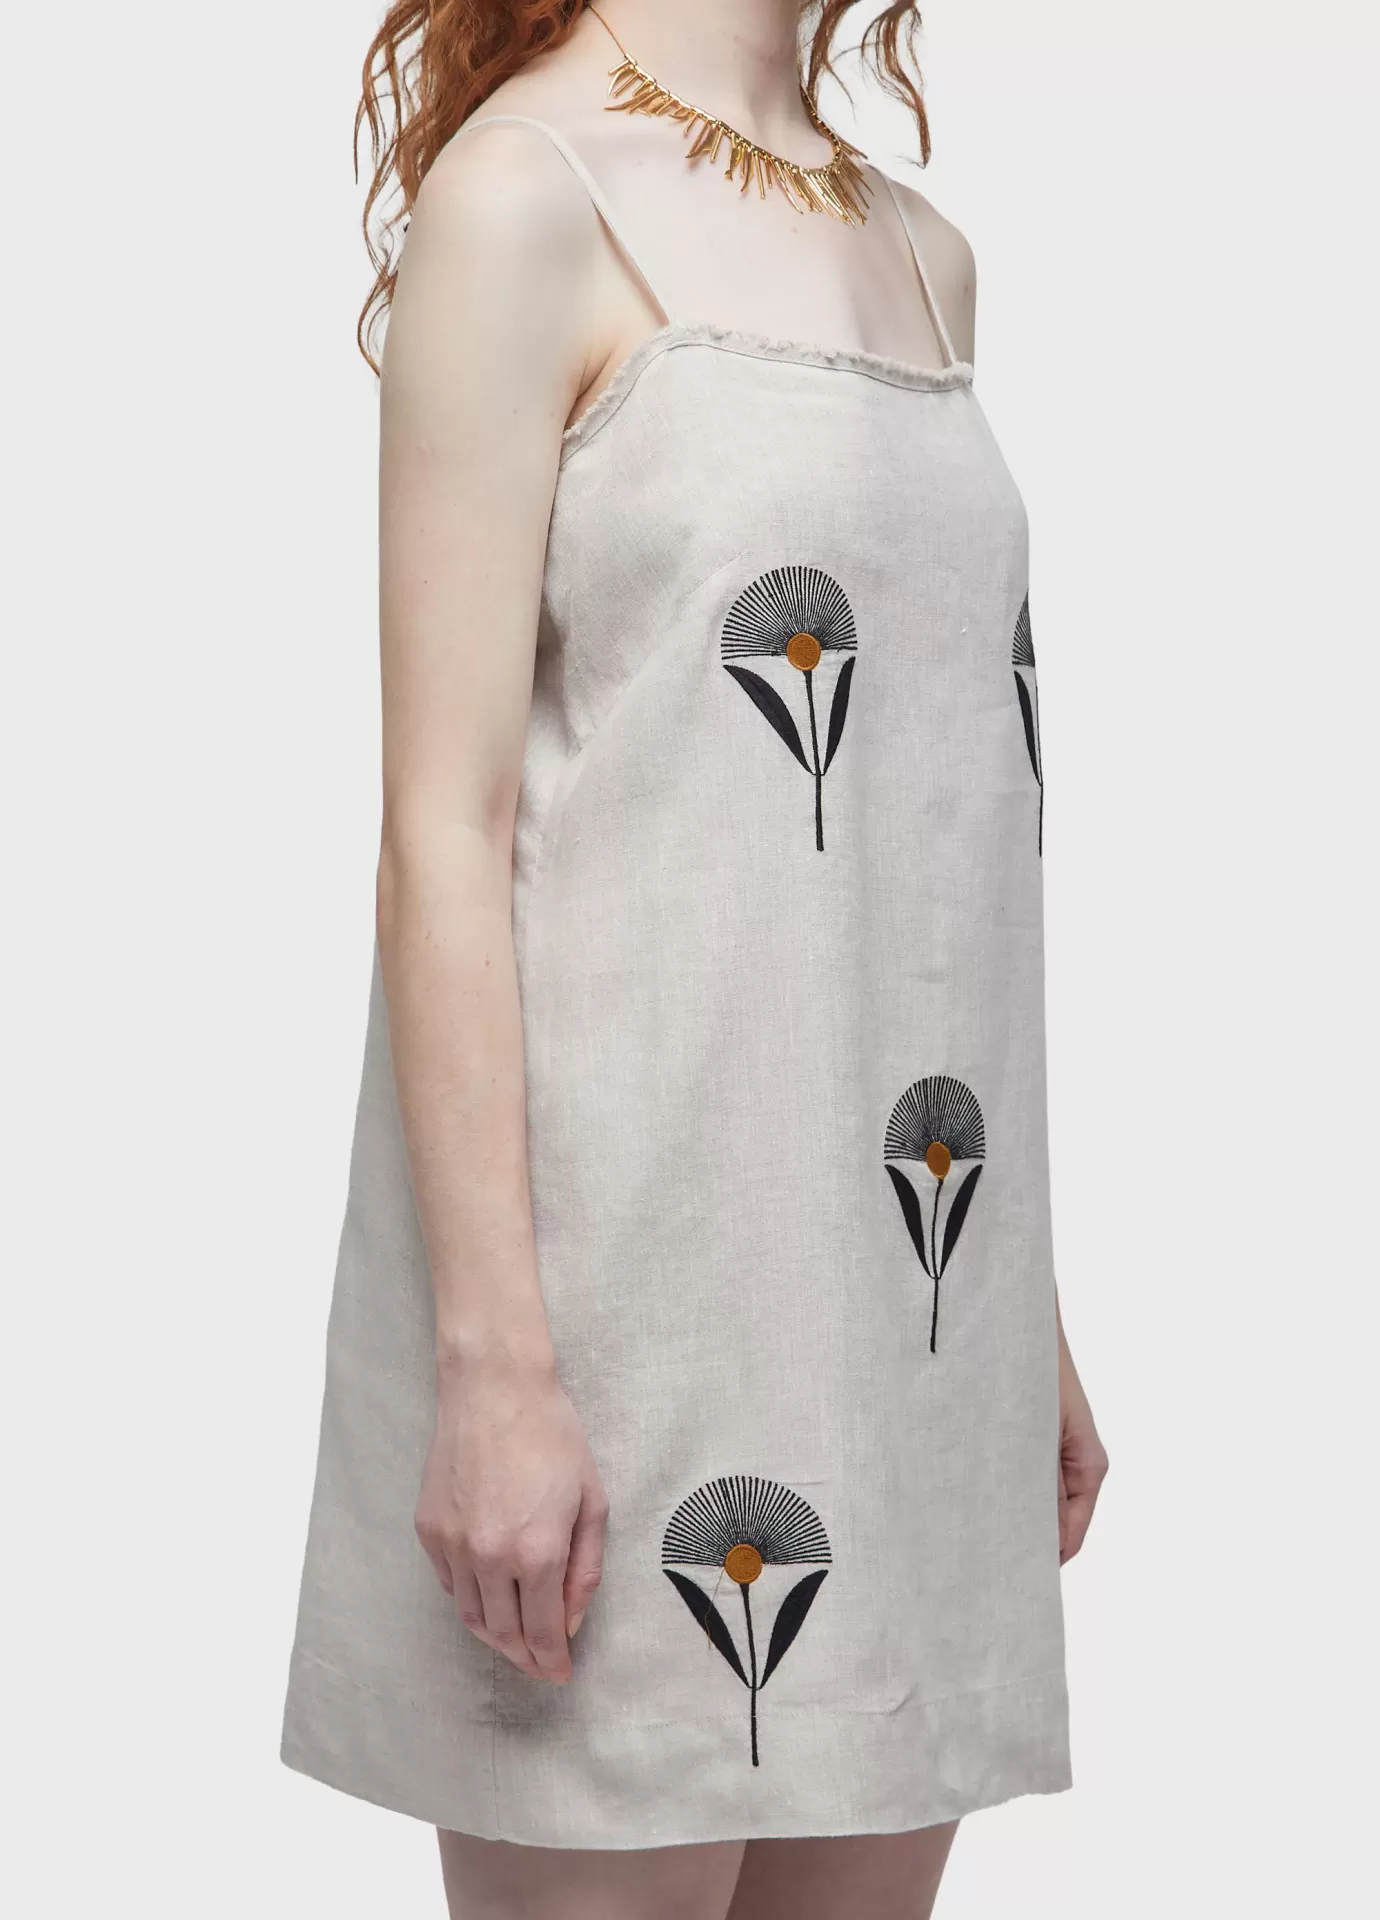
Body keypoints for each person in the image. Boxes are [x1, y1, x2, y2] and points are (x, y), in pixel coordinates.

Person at [282, 4, 1109, 1914]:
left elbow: (926, 833)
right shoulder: (527, 198)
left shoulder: (920, 250)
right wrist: (491, 1368)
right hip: (609, 1313)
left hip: (894, 1324)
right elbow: (441, 831)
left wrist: (1018, 1305)